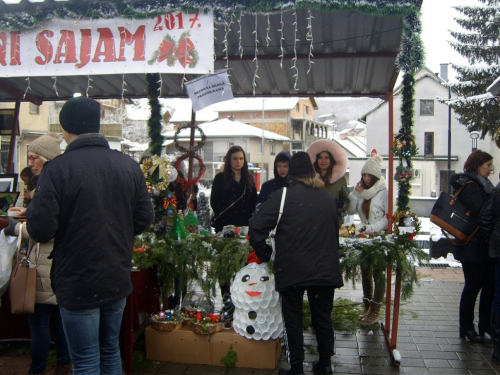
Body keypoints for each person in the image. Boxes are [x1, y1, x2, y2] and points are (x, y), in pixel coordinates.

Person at [25, 96, 154, 374]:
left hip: (77, 277)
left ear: (65, 129)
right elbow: (145, 218)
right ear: (97, 125)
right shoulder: (128, 165)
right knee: (110, 350)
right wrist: (116, 230)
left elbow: (39, 229)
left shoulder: (57, 169)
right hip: (116, 275)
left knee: (84, 359)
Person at [249, 151, 343, 375]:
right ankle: (325, 364)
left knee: (293, 318)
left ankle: (297, 368)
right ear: (312, 172)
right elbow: (334, 232)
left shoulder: (283, 196)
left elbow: (256, 227)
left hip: (292, 268)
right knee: (322, 316)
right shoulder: (328, 197)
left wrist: (264, 252)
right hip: (324, 268)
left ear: (292, 174)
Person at [6, 134, 71, 375]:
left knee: (39, 323)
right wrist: (29, 210)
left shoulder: (47, 184)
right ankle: (64, 364)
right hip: (58, 262)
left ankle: (36, 370)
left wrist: (15, 227)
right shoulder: (62, 180)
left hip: (43, 262)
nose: (31, 163)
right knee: (57, 320)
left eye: (34, 158)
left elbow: (43, 229)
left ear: (46, 158)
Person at [450, 150, 495, 343]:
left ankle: (485, 325)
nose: (491, 170)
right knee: (472, 287)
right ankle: (467, 327)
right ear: (478, 166)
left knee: (489, 287)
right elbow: (480, 212)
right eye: (488, 166)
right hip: (472, 246)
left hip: (483, 245)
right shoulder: (470, 186)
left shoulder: (483, 185)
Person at [346, 155, 388, 324]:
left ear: (376, 176)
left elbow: (387, 218)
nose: (366, 179)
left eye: (370, 176)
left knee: (378, 274)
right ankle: (367, 306)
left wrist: (370, 228)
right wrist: (355, 193)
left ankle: (376, 309)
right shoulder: (362, 191)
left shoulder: (384, 191)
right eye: (364, 175)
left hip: (378, 238)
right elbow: (350, 211)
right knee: (365, 272)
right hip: (364, 238)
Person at [210, 145, 258, 235]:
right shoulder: (220, 178)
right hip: (225, 225)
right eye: (235, 159)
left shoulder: (249, 179)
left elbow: (253, 201)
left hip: (244, 226)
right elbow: (214, 202)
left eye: (241, 158)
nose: (238, 161)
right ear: (229, 160)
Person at [306, 139, 350, 224]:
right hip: (314, 223)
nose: (323, 161)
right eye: (320, 158)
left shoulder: (340, 178)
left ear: (331, 160)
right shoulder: (310, 179)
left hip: (334, 222)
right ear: (315, 159)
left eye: (326, 158)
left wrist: (342, 206)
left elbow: (346, 200)